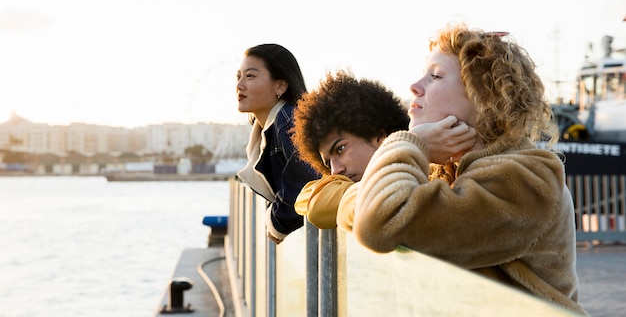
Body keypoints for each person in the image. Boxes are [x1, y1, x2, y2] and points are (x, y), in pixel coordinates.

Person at [336, 24, 587, 314]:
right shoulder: (448, 171)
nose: (415, 86)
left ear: (484, 98)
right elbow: (351, 204)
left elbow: (378, 222)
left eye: (436, 76)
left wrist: (413, 143)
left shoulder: (526, 179)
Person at [291, 69, 474, 229]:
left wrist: (417, 143)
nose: (335, 170)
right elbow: (310, 200)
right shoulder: (353, 181)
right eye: (328, 162)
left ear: (379, 137)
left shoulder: (431, 172)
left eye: (340, 149)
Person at [236, 43, 319, 245]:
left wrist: (276, 224)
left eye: (250, 76)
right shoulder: (271, 127)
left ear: (281, 86)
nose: (239, 85)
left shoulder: (288, 121)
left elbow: (304, 180)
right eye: (238, 76)